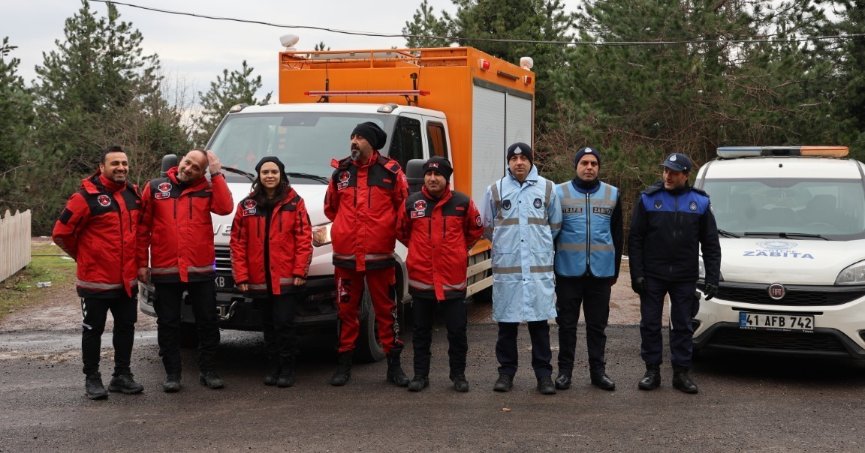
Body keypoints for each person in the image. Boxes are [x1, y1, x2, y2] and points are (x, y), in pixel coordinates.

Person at [52, 145, 144, 400]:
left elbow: (138, 235)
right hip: (96, 282)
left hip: (126, 281)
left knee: (126, 328)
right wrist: (83, 257)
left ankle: (121, 376)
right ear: (102, 167)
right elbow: (61, 233)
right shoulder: (84, 198)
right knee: (93, 330)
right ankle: (92, 378)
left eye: (124, 163)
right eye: (115, 163)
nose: (121, 168)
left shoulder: (133, 194)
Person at [137, 149, 234, 392]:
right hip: (166, 268)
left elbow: (225, 207)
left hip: (200, 269)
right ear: (181, 161)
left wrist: (217, 172)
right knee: (168, 323)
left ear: (202, 172)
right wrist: (141, 263)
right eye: (187, 163)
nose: (189, 169)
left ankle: (208, 370)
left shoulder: (208, 189)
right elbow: (142, 228)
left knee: (208, 321)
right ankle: (172, 374)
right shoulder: (155, 187)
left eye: (196, 168)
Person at [324, 121, 410, 387]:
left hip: (379, 256)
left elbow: (403, 210)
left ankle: (394, 366)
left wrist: (383, 232)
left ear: (372, 143)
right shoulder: (341, 173)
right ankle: (343, 366)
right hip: (346, 257)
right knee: (346, 311)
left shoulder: (391, 172)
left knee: (387, 311)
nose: (354, 141)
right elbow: (331, 209)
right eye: (352, 136)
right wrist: (345, 230)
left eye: (360, 137)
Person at [629, 152, 721, 394]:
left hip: (684, 275)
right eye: (665, 170)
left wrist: (712, 277)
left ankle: (681, 373)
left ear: (686, 175)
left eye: (674, 172)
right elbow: (635, 239)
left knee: (682, 325)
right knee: (650, 324)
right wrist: (636, 273)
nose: (667, 175)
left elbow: (711, 243)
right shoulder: (649, 199)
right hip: (653, 274)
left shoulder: (699, 202)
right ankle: (652, 371)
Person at [397, 157, 484, 393]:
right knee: (420, 332)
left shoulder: (462, 203)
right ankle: (420, 375)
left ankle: (458, 375)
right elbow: (402, 231)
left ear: (447, 179)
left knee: (457, 332)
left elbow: (475, 229)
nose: (432, 179)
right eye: (428, 174)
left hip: (452, 280)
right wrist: (417, 249)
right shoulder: (412, 203)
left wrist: (457, 250)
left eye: (438, 175)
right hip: (422, 279)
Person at [481, 142, 562, 395]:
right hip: (509, 271)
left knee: (539, 326)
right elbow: (487, 227)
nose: (519, 162)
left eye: (523, 158)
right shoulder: (495, 190)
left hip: (537, 271)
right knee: (507, 326)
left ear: (531, 161)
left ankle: (544, 376)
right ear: (508, 162)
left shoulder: (548, 188)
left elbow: (555, 225)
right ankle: (506, 373)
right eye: (514, 158)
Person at [230, 156, 312, 388]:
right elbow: (238, 243)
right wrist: (242, 276)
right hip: (258, 280)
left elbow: (304, 239)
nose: (269, 176)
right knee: (267, 326)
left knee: (284, 324)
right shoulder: (246, 205)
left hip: (286, 278)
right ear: (259, 176)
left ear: (281, 174)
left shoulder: (295, 202)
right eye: (265, 172)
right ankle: (273, 367)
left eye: (274, 171)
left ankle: (287, 369)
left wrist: (299, 272)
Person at [553, 147, 623, 391]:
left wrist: (614, 272)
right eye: (584, 162)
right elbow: (552, 232)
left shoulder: (612, 194)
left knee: (597, 327)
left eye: (594, 163)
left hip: (600, 275)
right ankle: (564, 372)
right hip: (567, 272)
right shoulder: (558, 192)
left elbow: (617, 234)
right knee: (567, 326)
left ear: (599, 167)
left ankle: (598, 372)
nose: (589, 167)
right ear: (576, 166)